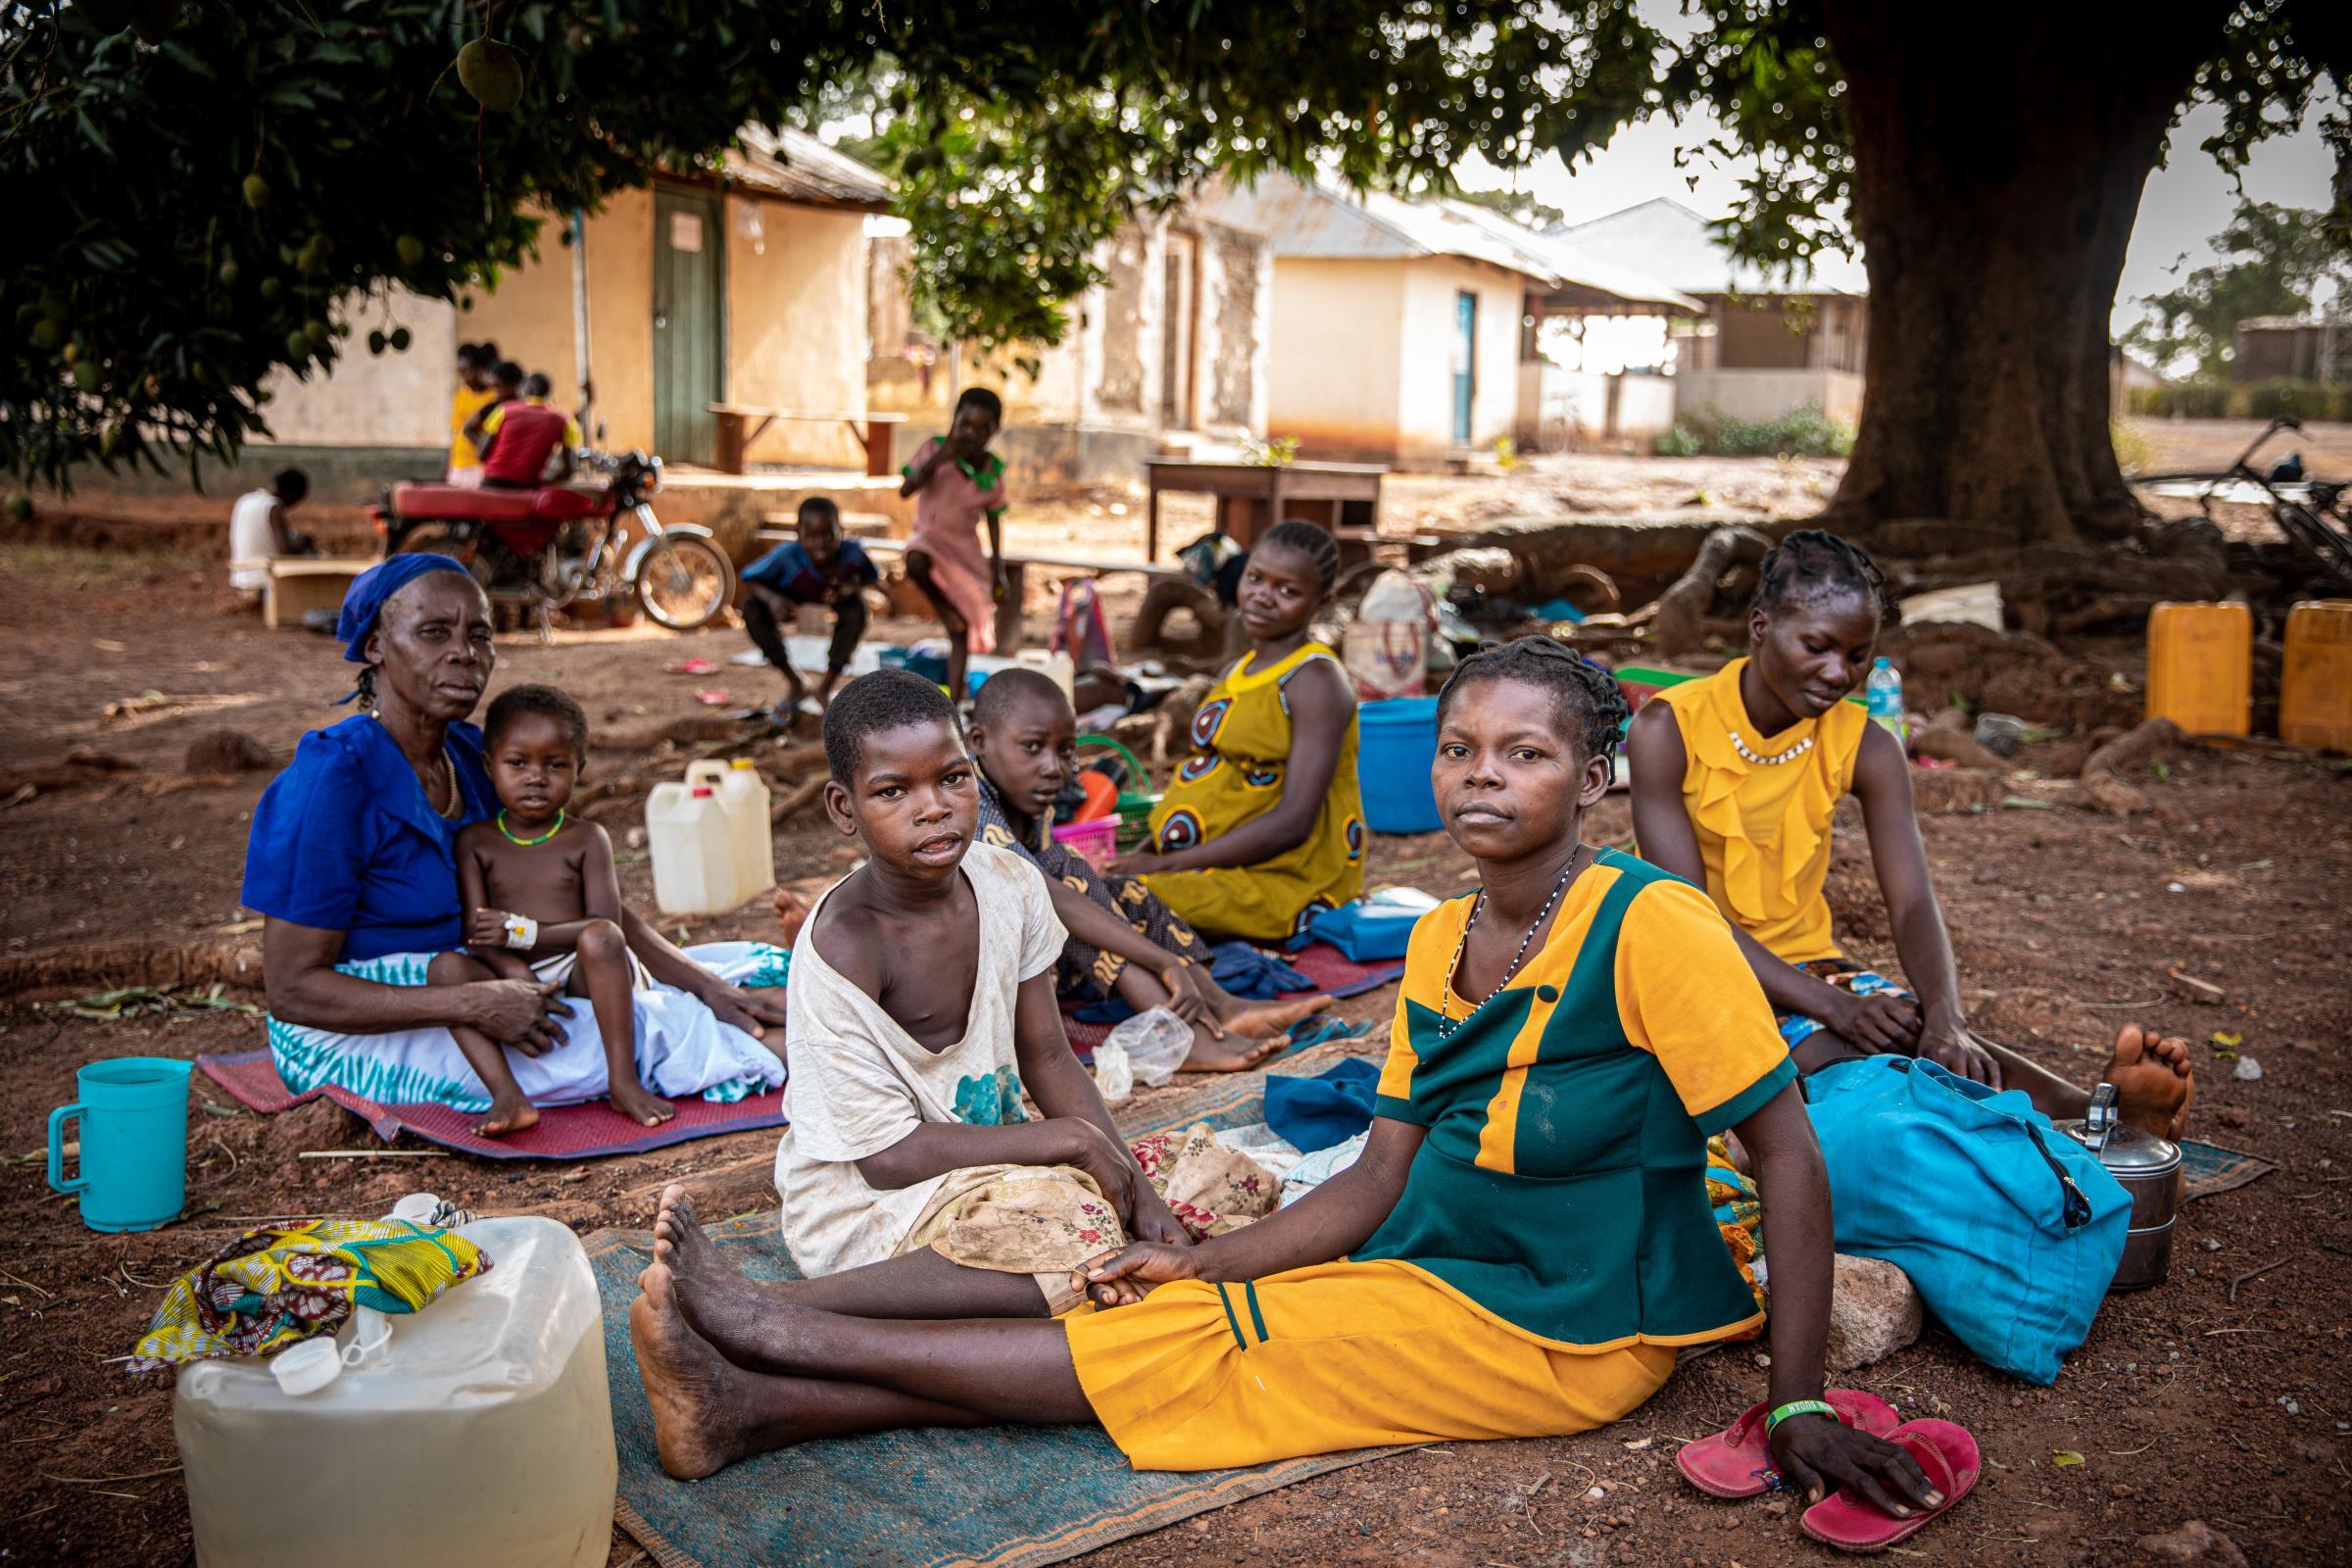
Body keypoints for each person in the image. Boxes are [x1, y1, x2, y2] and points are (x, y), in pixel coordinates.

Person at [625, 638, 1946, 1542]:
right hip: (1446, 1260)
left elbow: (1785, 1156)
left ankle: (792, 1338)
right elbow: (1376, 1178)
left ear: (1593, 778)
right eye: (1459, 747)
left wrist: (1796, 1401)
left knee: (1214, 1357)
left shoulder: (1653, 926)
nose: (1481, 773)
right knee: (1186, 1305)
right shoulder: (1437, 940)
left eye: (1525, 754)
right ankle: (751, 1408)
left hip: (1571, 1324)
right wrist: (1215, 1261)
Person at [1626, 529, 2193, 1137]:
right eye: (1816, 646)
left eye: (1857, 654)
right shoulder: (1668, 730)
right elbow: (1693, 922)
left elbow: (1914, 899)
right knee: (1845, 1063)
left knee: (1936, 1045)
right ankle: (2041, 1145)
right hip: (1689, 965)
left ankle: (2105, 1118)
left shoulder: (1866, 743)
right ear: (1760, 626)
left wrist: (1946, 1016)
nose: (1837, 672)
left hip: (1809, 969)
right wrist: (1837, 1007)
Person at [241, 556, 789, 1120]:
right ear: (376, 645)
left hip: (489, 983)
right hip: (349, 1032)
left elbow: (584, 903)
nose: (464, 653)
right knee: (644, 1036)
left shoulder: (469, 758)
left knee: (729, 974)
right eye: (434, 633)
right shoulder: (332, 780)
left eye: (480, 635)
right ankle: (801, 1057)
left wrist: (705, 986)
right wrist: (473, 1003)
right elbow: (293, 990)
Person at [771, 670, 1190, 1318]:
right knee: (1073, 1236)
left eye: (952, 778)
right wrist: (1068, 1141)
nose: (933, 806)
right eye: (892, 791)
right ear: (843, 808)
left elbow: (1047, 1057)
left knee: (1207, 1178)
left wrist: (1142, 1195)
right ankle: (791, 1307)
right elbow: (886, 1159)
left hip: (997, 1161)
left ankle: (1082, 1265)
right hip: (873, 1208)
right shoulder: (846, 945)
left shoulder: (1008, 884)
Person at [964, 667, 1322, 1071]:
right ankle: (1181, 1036)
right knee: (1069, 895)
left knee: (1124, 892)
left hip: (1031, 953)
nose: (1053, 767)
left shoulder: (1026, 795)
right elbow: (1053, 897)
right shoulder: (967, 800)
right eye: (1032, 747)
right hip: (968, 973)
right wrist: (1161, 960)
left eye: (1065, 751)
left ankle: (1222, 1006)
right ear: (979, 741)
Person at [432, 684, 675, 1136]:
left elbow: (605, 927)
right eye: (518, 763)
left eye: (556, 765)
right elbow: (476, 932)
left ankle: (622, 1080)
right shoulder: (476, 842)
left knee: (601, 939)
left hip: (582, 966)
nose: (536, 777)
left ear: (578, 770)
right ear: (489, 766)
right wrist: (512, 968)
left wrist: (522, 933)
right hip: (511, 970)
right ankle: (507, 1095)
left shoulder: (586, 839)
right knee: (445, 969)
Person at [1111, 519, 1365, 944]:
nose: (1263, 596)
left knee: (1107, 902)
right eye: (1256, 578)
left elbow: (1294, 822)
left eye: (1287, 590)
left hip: (1283, 879)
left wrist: (1172, 865)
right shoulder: (1237, 670)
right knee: (1081, 884)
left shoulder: (1315, 680)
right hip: (1210, 860)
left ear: (1321, 601)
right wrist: (1147, 854)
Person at [900, 387, 1008, 702]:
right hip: (929, 538)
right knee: (914, 559)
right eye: (965, 425)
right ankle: (945, 611)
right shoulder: (934, 449)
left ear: (994, 432)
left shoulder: (992, 470)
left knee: (962, 631)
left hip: (964, 551)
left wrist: (997, 567)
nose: (971, 434)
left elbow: (994, 518)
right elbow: (906, 489)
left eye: (982, 429)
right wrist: (940, 457)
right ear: (953, 422)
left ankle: (955, 701)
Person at [740, 498, 879, 721]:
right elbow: (750, 578)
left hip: (838, 597)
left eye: (827, 535)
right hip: (790, 595)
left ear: (840, 532)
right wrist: (773, 599)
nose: (820, 543)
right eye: (811, 536)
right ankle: (796, 682)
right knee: (752, 608)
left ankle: (824, 688)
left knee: (857, 611)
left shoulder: (853, 554)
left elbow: (872, 576)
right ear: (798, 533)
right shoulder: (786, 556)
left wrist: (851, 588)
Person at [470, 369, 581, 489]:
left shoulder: (504, 410)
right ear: (548, 393)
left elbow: (481, 454)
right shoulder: (565, 420)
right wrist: (547, 482)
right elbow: (568, 470)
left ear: (527, 390)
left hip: (492, 484)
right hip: (526, 488)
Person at [227, 467, 317, 602]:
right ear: (292, 494)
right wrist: (303, 543)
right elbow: (285, 551)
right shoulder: (274, 507)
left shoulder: (245, 500)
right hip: (265, 583)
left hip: (241, 579)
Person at [446, 343, 502, 486]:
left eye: (467, 371)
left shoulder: (494, 396)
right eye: (461, 372)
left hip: (479, 464)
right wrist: (449, 467)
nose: (464, 377)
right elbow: (456, 433)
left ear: (479, 369)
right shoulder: (460, 395)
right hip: (459, 464)